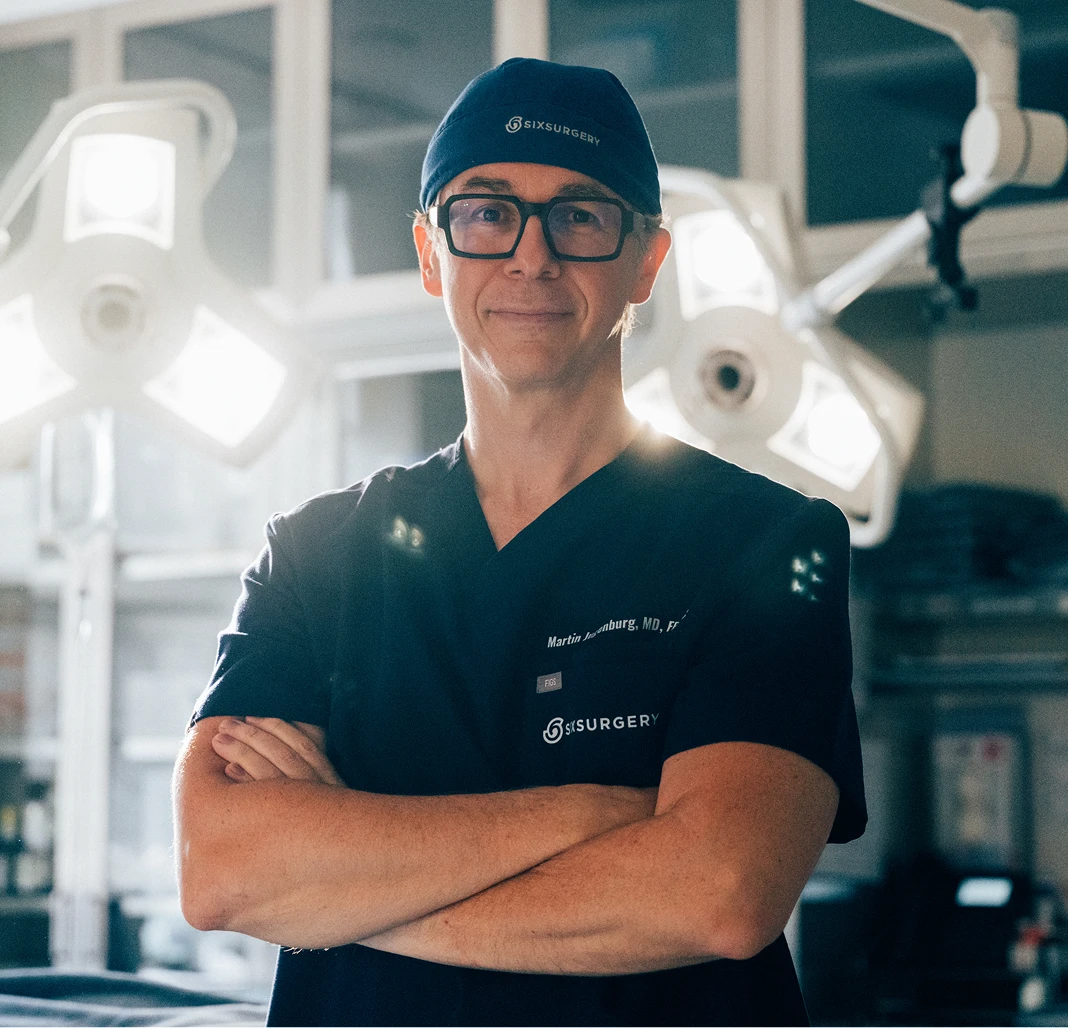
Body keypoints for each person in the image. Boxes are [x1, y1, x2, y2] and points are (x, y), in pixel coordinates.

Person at [173, 57, 866, 1027]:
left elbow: (721, 888)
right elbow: (221, 869)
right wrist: (593, 814)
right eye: (487, 212)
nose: (531, 258)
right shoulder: (318, 552)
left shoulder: (761, 541)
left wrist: (342, 894)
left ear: (646, 262)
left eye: (580, 216)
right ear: (429, 252)